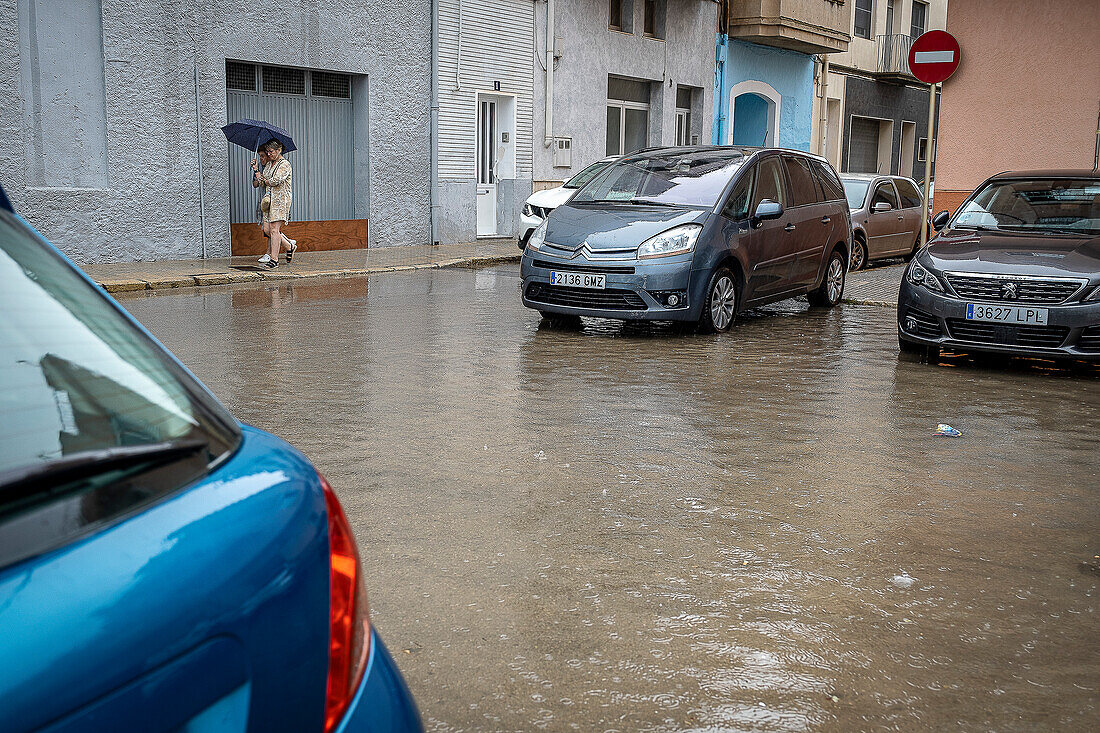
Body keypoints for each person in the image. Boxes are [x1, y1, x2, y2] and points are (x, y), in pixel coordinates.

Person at [250, 139, 297, 268]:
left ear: (279, 150)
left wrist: (264, 180)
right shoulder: (269, 165)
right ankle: (289, 246)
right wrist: (256, 170)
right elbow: (260, 181)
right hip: (269, 201)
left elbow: (276, 180)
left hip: (280, 201)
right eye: (267, 152)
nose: (269, 154)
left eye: (271, 151)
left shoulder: (284, 164)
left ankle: (274, 260)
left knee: (274, 230)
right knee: (267, 229)